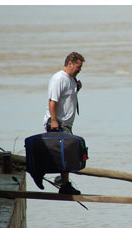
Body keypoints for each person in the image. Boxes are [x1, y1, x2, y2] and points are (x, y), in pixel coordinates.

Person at [43, 52, 85, 195]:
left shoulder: (71, 79)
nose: (79, 70)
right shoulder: (58, 79)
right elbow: (52, 101)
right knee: (67, 154)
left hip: (66, 124)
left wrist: (76, 89)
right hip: (57, 123)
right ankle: (63, 184)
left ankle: (63, 182)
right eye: (78, 67)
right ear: (69, 63)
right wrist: (54, 120)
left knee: (66, 155)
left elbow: (67, 98)